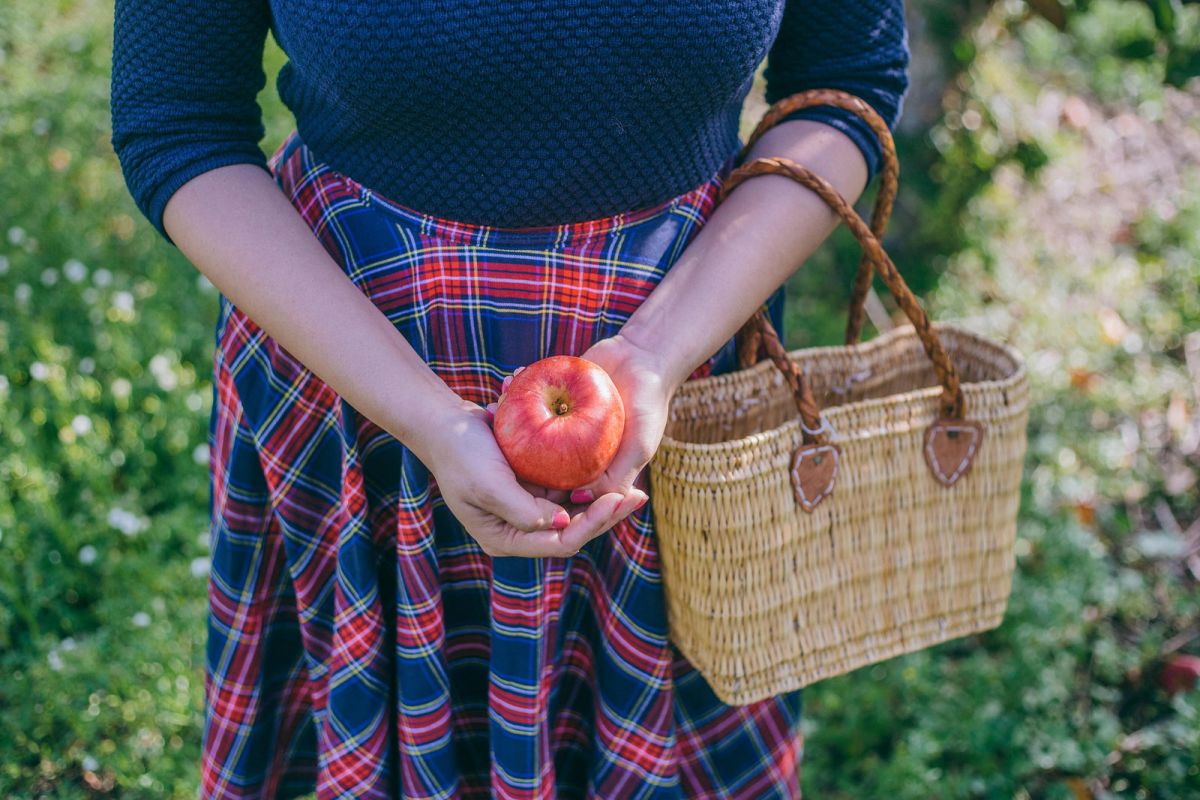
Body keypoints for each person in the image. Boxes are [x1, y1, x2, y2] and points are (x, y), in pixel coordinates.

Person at [110, 2, 908, 797]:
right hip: (351, 378)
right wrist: (421, 414)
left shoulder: (672, 357)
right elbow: (178, 120)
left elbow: (847, 81)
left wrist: (661, 352)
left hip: (684, 367)